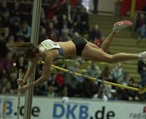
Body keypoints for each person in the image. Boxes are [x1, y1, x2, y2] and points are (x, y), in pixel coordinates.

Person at [6, 20, 146, 93]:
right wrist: (23, 80)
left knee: (109, 59)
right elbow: (32, 65)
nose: (33, 62)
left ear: (36, 54)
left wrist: (27, 86)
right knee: (103, 51)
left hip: (79, 48)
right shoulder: (41, 46)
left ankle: (140, 55)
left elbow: (44, 78)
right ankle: (115, 30)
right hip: (77, 41)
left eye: (33, 59)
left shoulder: (48, 56)